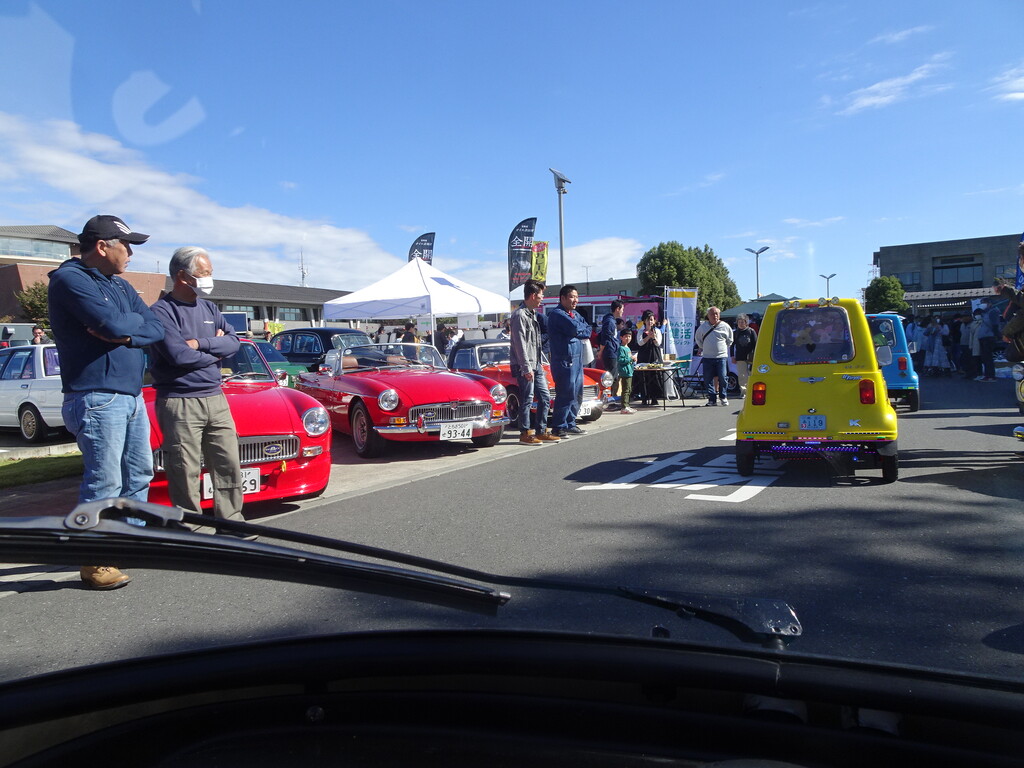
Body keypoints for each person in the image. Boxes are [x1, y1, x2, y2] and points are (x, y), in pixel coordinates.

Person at [47, 214, 166, 589]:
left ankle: (126, 544)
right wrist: (124, 326)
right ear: (102, 246)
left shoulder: (120, 285)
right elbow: (113, 325)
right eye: (126, 246)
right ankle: (95, 560)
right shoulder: (70, 280)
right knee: (105, 481)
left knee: (139, 474)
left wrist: (126, 334)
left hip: (130, 395)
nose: (131, 254)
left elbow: (155, 327)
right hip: (95, 396)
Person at [149, 246, 247, 529]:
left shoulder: (210, 308)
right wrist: (216, 351)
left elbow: (234, 343)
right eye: (204, 273)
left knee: (228, 463)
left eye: (210, 273)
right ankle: (192, 529)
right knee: (184, 469)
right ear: (183, 276)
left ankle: (232, 523)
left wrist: (201, 344)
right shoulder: (161, 311)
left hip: (215, 397)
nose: (209, 279)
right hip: (180, 401)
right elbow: (178, 355)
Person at [509, 279, 559, 445]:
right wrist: (526, 368)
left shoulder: (532, 314)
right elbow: (520, 344)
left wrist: (539, 365)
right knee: (527, 399)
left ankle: (541, 430)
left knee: (545, 397)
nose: (542, 298)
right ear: (532, 295)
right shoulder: (519, 315)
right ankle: (525, 433)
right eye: (540, 295)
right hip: (525, 365)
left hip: (536, 364)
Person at [546, 284, 592, 437]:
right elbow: (574, 329)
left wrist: (578, 330)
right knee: (566, 393)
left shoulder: (575, 314)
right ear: (563, 298)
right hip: (564, 360)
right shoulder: (557, 314)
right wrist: (578, 330)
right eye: (572, 297)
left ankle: (570, 423)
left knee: (577, 393)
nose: (575, 300)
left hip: (577, 360)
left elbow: (588, 330)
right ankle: (559, 426)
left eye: (577, 297)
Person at [696, 306, 733, 406]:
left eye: (716, 313)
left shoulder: (725, 326)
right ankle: (712, 399)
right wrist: (703, 347)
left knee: (723, 377)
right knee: (708, 379)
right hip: (707, 357)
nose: (715, 316)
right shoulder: (703, 327)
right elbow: (698, 339)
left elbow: (730, 340)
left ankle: (723, 396)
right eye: (712, 314)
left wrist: (723, 348)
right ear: (708, 315)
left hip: (721, 357)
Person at [635, 309, 664, 407]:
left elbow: (658, 343)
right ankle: (644, 398)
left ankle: (654, 398)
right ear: (644, 321)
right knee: (643, 377)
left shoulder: (657, 331)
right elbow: (640, 343)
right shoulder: (640, 331)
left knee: (654, 376)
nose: (650, 322)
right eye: (648, 320)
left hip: (654, 355)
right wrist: (648, 337)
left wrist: (653, 337)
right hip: (643, 356)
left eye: (652, 320)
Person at [731, 313, 757, 397]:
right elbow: (732, 345)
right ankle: (743, 392)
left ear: (746, 322)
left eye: (742, 322)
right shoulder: (735, 333)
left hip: (751, 357)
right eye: (739, 322)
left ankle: (752, 391)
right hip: (740, 356)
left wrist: (755, 355)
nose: (741, 324)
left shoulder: (751, 331)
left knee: (751, 374)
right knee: (742, 375)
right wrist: (732, 356)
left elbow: (755, 344)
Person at [975, 299, 999, 381]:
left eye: (984, 303)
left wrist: (982, 318)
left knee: (988, 357)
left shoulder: (993, 312)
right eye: (981, 303)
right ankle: (987, 374)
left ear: (989, 304)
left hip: (989, 336)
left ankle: (991, 375)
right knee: (985, 357)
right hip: (983, 337)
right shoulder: (984, 313)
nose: (982, 305)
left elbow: (993, 325)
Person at [616, 327, 637, 415]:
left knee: (628, 389)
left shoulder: (627, 348)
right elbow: (620, 360)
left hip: (629, 371)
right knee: (626, 389)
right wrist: (630, 359)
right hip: (625, 371)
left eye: (629, 336)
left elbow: (628, 359)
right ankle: (624, 406)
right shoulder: (621, 348)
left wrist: (633, 360)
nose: (628, 338)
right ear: (621, 337)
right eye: (626, 336)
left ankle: (626, 405)